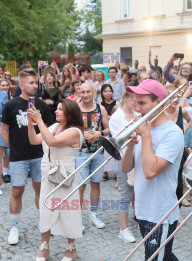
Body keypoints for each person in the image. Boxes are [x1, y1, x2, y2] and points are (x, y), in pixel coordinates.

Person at [121, 79, 184, 261]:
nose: (137, 108)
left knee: (155, 258)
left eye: (142, 103)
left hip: (160, 212)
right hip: (142, 208)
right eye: (136, 102)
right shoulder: (142, 129)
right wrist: (131, 146)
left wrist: (146, 135)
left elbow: (150, 172)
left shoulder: (172, 133)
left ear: (159, 102)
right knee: (164, 256)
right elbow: (126, 168)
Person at [1, 69, 54, 245]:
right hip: (18, 158)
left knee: (41, 189)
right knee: (17, 190)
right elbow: (3, 128)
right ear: (21, 85)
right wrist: (13, 147)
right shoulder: (11, 104)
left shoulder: (42, 105)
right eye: (31, 83)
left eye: (36, 83)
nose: (35, 86)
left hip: (39, 155)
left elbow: (50, 128)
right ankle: (14, 226)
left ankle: (44, 222)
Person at [27, 99, 83, 261]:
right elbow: (34, 140)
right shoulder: (53, 127)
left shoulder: (74, 132)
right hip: (48, 173)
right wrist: (31, 124)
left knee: (68, 210)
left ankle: (71, 248)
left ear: (70, 113)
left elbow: (52, 142)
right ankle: (44, 248)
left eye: (60, 109)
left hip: (65, 175)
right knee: (46, 209)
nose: (56, 111)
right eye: (56, 108)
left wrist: (39, 120)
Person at [76, 82, 110, 230]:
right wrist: (80, 133)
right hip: (81, 152)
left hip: (98, 151)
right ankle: (77, 218)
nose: (85, 95)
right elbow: (68, 127)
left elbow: (108, 129)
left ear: (93, 92)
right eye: (82, 92)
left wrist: (99, 133)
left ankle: (93, 215)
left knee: (96, 183)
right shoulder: (76, 109)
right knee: (80, 185)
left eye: (88, 92)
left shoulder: (100, 108)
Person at [109, 91, 138, 243]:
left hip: (138, 157)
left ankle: (138, 216)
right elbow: (120, 139)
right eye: (134, 100)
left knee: (137, 191)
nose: (136, 103)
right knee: (125, 195)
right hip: (123, 158)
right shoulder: (116, 117)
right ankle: (123, 229)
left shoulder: (137, 113)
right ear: (126, 99)